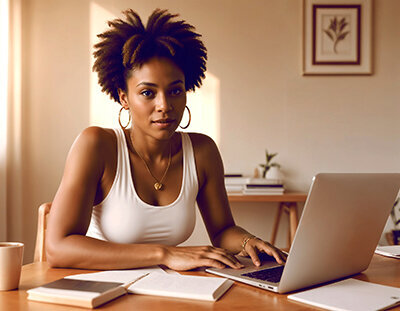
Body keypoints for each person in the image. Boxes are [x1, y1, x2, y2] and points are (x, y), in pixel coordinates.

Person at [46, 8, 287, 271]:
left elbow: (222, 230)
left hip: (168, 289)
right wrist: (165, 254)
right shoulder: (96, 145)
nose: (165, 105)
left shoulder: (202, 151)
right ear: (124, 97)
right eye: (148, 92)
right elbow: (59, 248)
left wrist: (248, 241)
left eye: (175, 91)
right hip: (100, 289)